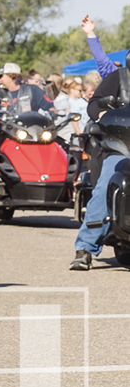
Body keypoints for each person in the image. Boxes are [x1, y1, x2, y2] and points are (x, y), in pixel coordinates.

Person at [70, 67, 127, 270]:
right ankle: (85, 249)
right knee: (107, 186)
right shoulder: (118, 78)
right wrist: (102, 114)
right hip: (121, 147)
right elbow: (94, 103)